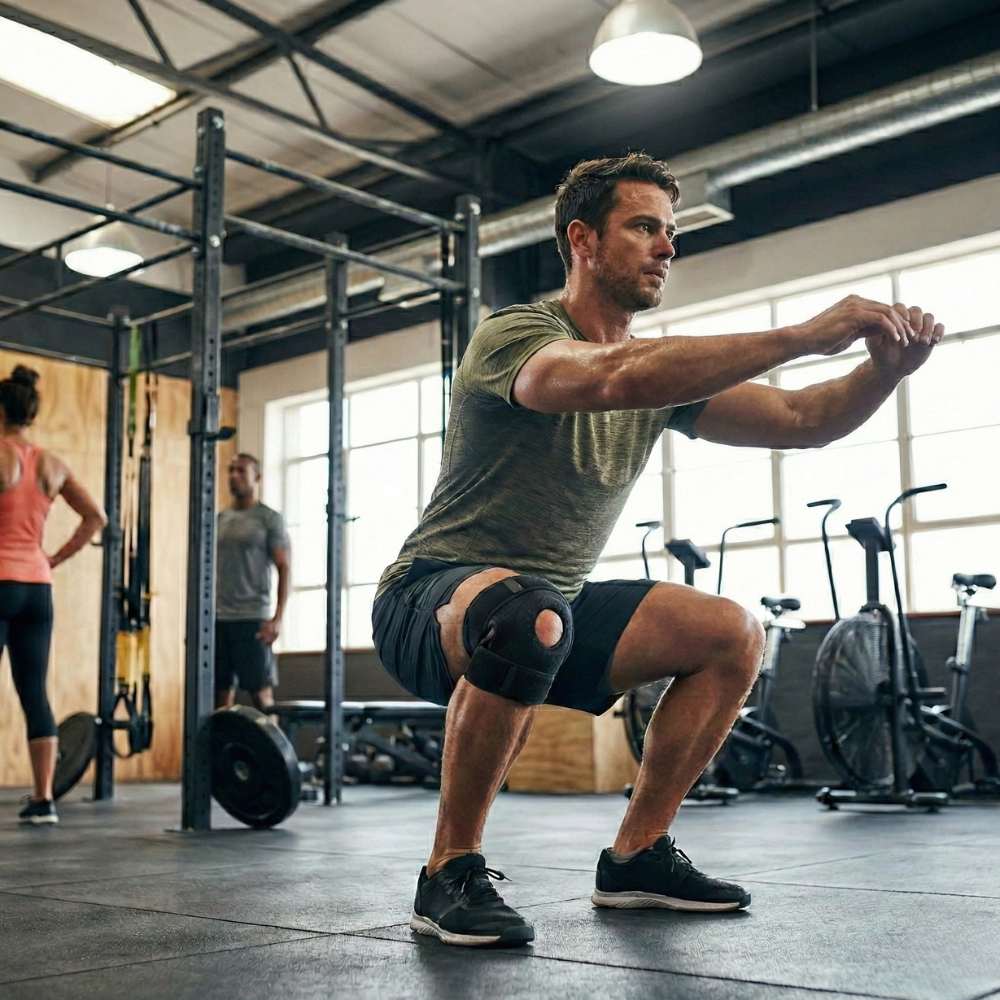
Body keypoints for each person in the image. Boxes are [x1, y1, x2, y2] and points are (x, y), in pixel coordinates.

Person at [372, 154, 945, 947]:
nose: (667, 246)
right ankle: (447, 872)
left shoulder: (661, 373)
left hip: (551, 611)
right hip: (427, 597)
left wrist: (883, 371)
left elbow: (803, 418)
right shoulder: (517, 335)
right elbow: (611, 377)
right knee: (528, 614)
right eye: (645, 227)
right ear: (583, 240)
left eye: (671, 232)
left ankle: (638, 856)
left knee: (731, 633)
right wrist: (799, 334)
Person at [0, 365, 107, 825]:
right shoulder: (52, 463)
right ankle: (44, 800)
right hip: (37, 589)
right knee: (34, 692)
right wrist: (54, 559)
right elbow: (96, 517)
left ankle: (42, 797)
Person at [215, 453, 290, 714]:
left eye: (241, 471)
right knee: (221, 700)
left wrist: (277, 618)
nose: (233, 476)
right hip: (219, 619)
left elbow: (284, 567)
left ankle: (277, 756)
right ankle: (222, 754)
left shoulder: (268, 519)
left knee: (262, 699)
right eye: (231, 470)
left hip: (252, 619)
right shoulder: (219, 520)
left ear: (256, 477)